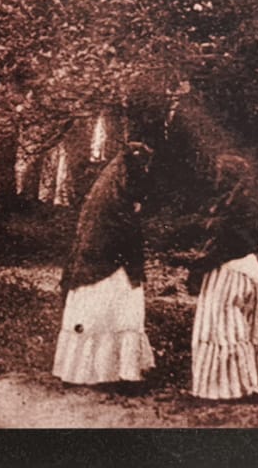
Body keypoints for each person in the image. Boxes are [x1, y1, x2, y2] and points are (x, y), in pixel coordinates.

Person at [52, 141, 155, 387]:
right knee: (115, 313)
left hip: (100, 262)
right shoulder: (115, 197)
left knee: (103, 314)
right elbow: (123, 232)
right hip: (108, 264)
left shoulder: (111, 188)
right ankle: (113, 372)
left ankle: (95, 370)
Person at [187, 154, 258, 401]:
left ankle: (228, 388)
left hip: (230, 269)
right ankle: (245, 384)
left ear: (229, 177)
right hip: (245, 268)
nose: (217, 178)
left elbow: (228, 245)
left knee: (219, 327)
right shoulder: (243, 202)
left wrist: (198, 265)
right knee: (236, 327)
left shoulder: (239, 206)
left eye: (221, 174)